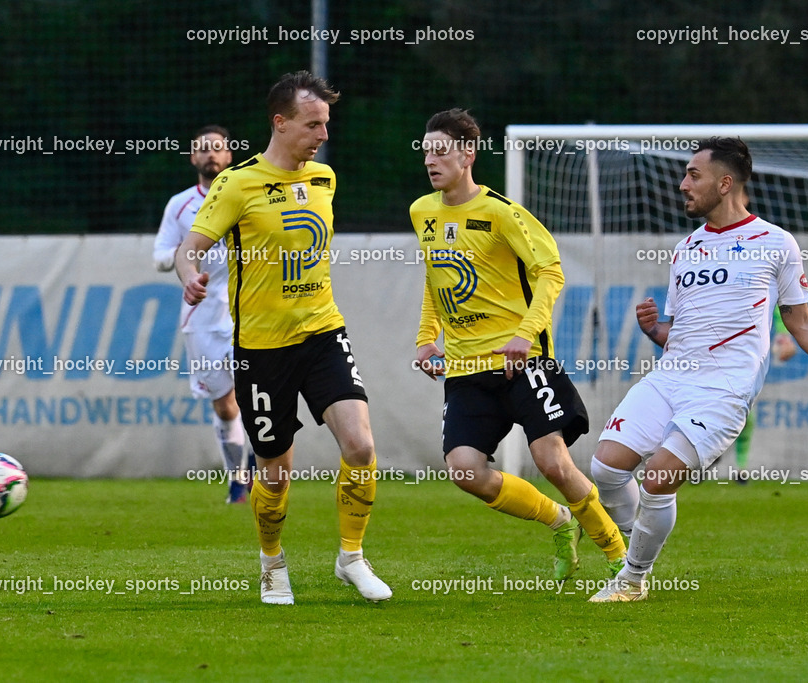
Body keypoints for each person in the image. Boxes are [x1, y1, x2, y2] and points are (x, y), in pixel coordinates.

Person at [588, 136, 808, 602]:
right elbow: (680, 332)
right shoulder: (686, 248)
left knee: (659, 476)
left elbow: (799, 320)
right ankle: (632, 548)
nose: (683, 184)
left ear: (725, 184)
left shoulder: (776, 243)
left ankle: (632, 579)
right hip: (670, 376)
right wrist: (655, 332)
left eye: (693, 175)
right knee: (604, 468)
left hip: (724, 388)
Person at [175, 71, 391, 605]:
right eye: (312, 124)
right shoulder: (237, 184)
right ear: (280, 121)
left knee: (361, 446)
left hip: (323, 333)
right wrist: (190, 276)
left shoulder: (324, 178)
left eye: (325, 124)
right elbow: (189, 248)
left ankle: (352, 558)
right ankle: (272, 564)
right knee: (274, 472)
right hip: (262, 350)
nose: (322, 134)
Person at [411, 108, 626, 588]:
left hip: (521, 363)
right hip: (466, 368)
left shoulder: (502, 213)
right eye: (425, 151)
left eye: (440, 150)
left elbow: (551, 271)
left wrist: (525, 334)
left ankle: (618, 555)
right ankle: (558, 522)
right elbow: (434, 277)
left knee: (552, 461)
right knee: (465, 471)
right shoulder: (422, 211)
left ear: (468, 154)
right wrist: (428, 338)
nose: (430, 159)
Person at [154, 125, 255, 504]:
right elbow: (160, 254)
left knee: (258, 394)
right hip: (202, 320)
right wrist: (183, 254)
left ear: (230, 156)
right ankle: (238, 480)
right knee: (224, 403)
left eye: (218, 149)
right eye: (203, 150)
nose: (211, 155)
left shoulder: (245, 196)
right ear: (194, 158)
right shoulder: (180, 205)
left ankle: (261, 471)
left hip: (249, 315)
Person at [731, 307, 796, 481]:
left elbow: (776, 305)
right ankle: (703, 457)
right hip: (715, 353)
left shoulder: (762, 284)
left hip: (746, 358)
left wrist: (783, 336)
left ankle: (741, 468)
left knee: (746, 416)